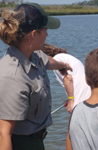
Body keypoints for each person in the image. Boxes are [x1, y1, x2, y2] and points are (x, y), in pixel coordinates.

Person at [0, 3, 72, 150]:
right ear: (34, 34)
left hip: (37, 140)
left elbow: (47, 61)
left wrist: (63, 66)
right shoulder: (12, 76)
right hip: (20, 143)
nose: (47, 34)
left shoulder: (33, 54)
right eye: (45, 30)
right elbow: (4, 133)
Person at [42, 43, 91, 113]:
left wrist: (71, 100)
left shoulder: (57, 60)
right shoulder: (65, 57)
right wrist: (70, 98)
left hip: (82, 101)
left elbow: (68, 78)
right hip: (88, 97)